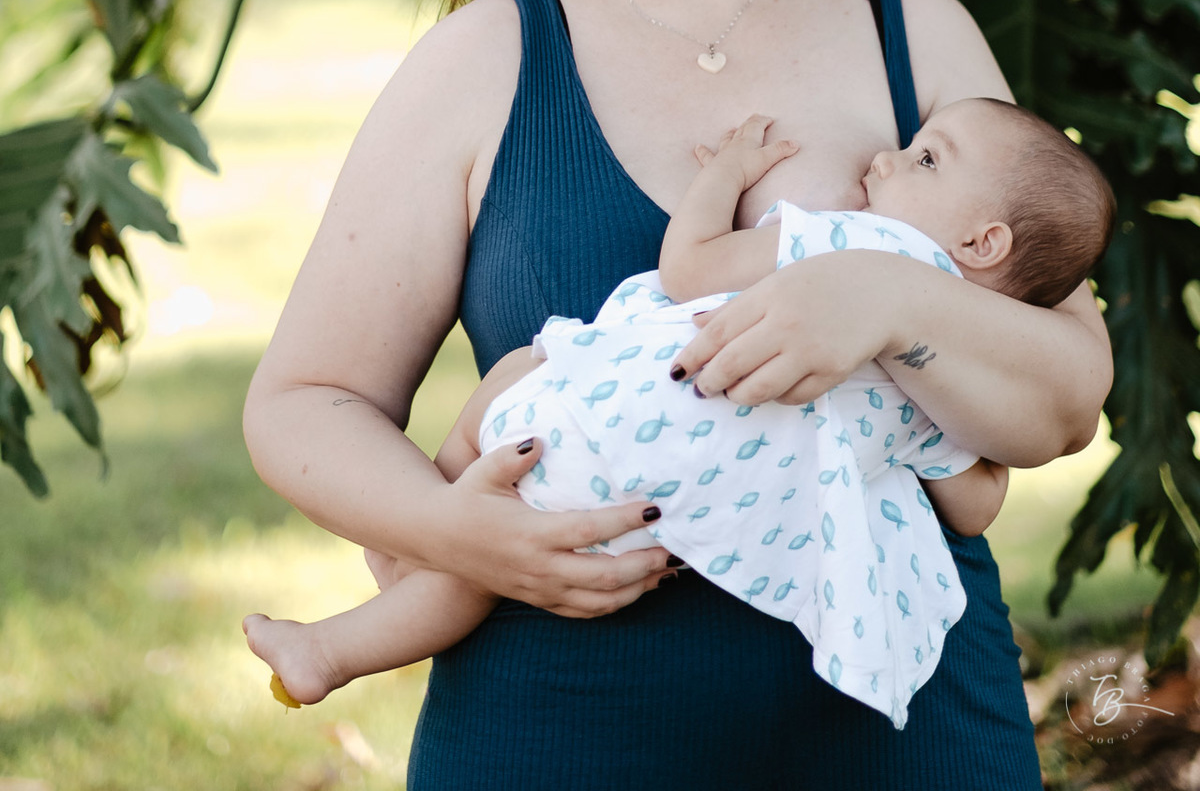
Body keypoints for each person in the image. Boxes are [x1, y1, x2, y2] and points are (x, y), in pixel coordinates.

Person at [241, 0, 1113, 790]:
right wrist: (457, 533)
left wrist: (879, 298)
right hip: (558, 732)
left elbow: (1061, 405)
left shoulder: (914, 35)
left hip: (909, 733)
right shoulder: (482, 65)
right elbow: (305, 402)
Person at [243, 99, 1114, 729]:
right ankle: (362, 619)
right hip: (664, 501)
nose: (884, 161)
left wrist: (726, 172)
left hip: (604, 415)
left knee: (506, 426)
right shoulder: (952, 372)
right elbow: (975, 504)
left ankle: (377, 594)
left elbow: (691, 269)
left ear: (983, 242)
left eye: (925, 160)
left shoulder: (849, 242)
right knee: (483, 553)